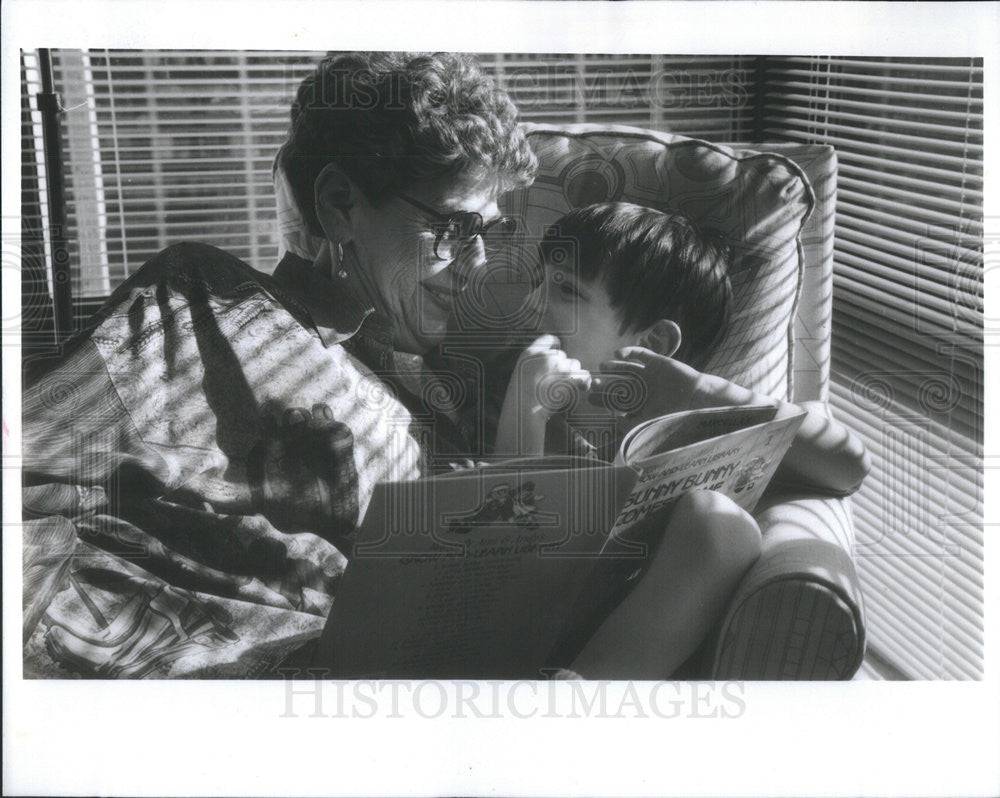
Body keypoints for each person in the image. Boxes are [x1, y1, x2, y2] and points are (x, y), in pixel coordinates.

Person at [21, 51, 538, 678]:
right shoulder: (200, 308)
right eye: (455, 228)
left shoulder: (423, 389)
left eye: (490, 232)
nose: (478, 263)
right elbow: (27, 473)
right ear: (341, 204)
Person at [487, 203, 869, 678]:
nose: (533, 304)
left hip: (607, 657)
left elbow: (847, 464)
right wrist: (525, 411)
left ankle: (578, 704)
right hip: (508, 629)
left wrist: (697, 391)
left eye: (566, 290)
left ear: (651, 344)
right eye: (537, 283)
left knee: (721, 523)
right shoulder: (508, 386)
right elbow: (496, 565)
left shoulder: (695, 420)